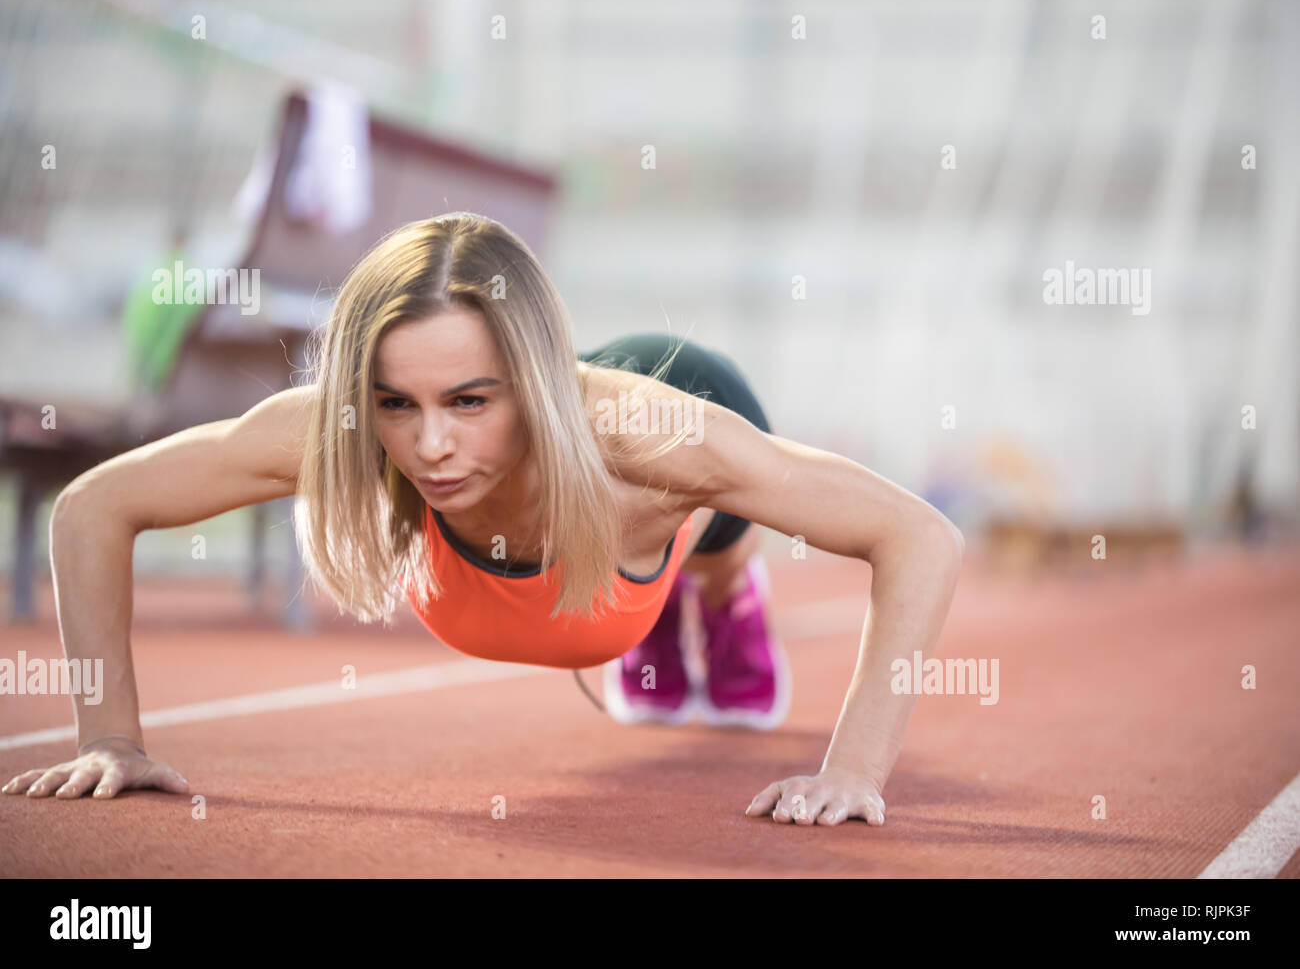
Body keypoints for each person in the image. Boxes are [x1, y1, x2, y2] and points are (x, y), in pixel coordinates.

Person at [3, 213, 963, 827]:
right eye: (396, 404)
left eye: (470, 402)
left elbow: (919, 535)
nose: (429, 448)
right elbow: (94, 505)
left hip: (679, 390)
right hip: (576, 434)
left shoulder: (654, 441)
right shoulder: (337, 429)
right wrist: (111, 738)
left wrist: (855, 772)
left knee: (719, 540)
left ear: (530, 386)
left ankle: (712, 597)